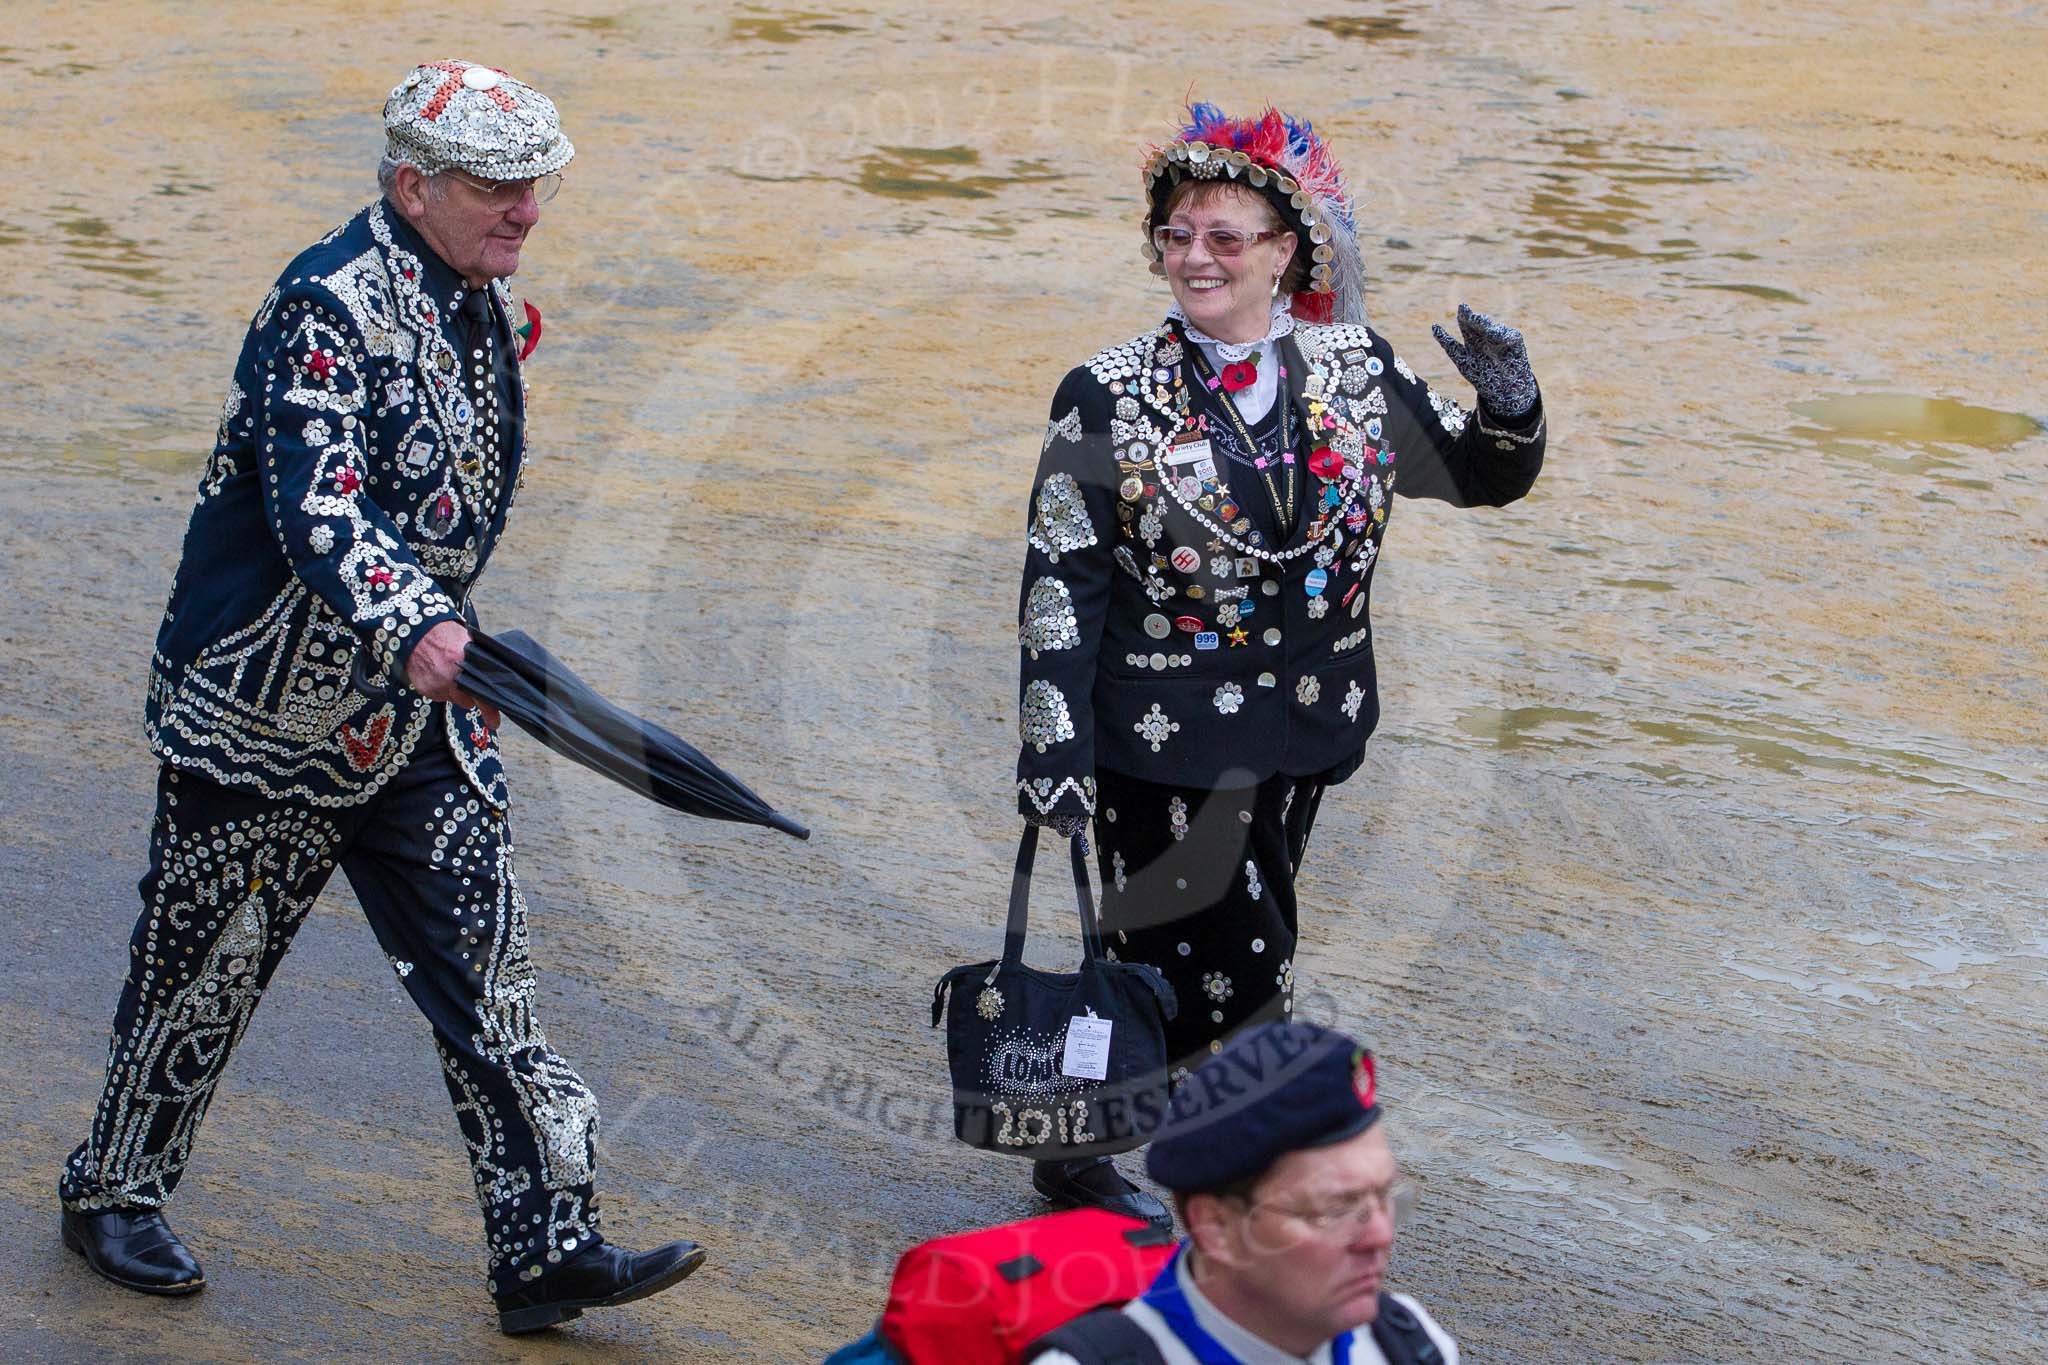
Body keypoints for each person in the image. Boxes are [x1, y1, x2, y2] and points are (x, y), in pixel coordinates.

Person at [57, 59, 704, 1335]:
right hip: (261, 714)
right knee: (202, 972)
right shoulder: (323, 305)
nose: (527, 212)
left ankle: (546, 1244)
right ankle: (114, 1190)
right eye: (499, 188)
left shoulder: (472, 291)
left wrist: (433, 650)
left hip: (416, 714)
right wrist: (419, 626)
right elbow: (318, 505)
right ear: (413, 185)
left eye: (539, 185)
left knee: (491, 969)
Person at [1014, 104, 1546, 1224]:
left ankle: (1076, 1139)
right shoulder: (1105, 390)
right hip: (1158, 739)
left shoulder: (1353, 369)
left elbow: (1472, 477)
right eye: (1176, 234)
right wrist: (1051, 745)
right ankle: (1239, 1174)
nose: (1195, 258)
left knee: (1160, 943)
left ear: (1286, 251)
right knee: (1237, 956)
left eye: (1226, 237)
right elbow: (1063, 577)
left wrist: (1508, 404)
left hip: (1307, 726)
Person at [1027, 1021, 1457, 1365]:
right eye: (1335, 1208)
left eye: (1384, 1196)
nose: (1380, 1236)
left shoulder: (1412, 1344)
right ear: (1217, 1227)